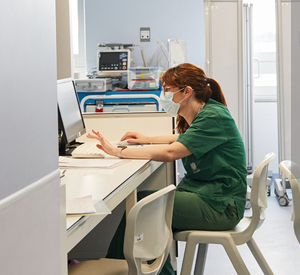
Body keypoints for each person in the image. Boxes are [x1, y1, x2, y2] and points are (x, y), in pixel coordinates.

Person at [87, 63, 247, 275]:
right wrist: (148, 140)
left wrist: (117, 152)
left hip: (221, 205)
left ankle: (118, 269)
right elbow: (184, 139)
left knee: (142, 209)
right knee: (144, 207)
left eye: (168, 90)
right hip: (210, 196)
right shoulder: (206, 112)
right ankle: (134, 269)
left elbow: (172, 153)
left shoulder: (213, 116)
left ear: (187, 92)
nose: (163, 95)